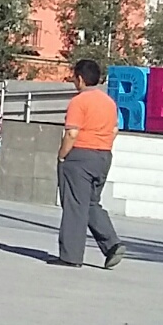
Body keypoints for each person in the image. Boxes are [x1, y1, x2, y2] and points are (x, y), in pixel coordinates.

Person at [57, 57, 126, 268]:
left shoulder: (79, 101)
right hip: (103, 155)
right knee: (91, 203)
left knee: (75, 205)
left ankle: (71, 255)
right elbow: (114, 129)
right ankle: (112, 244)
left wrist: (62, 155)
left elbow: (72, 133)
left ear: (80, 79)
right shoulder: (108, 102)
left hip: (80, 156)